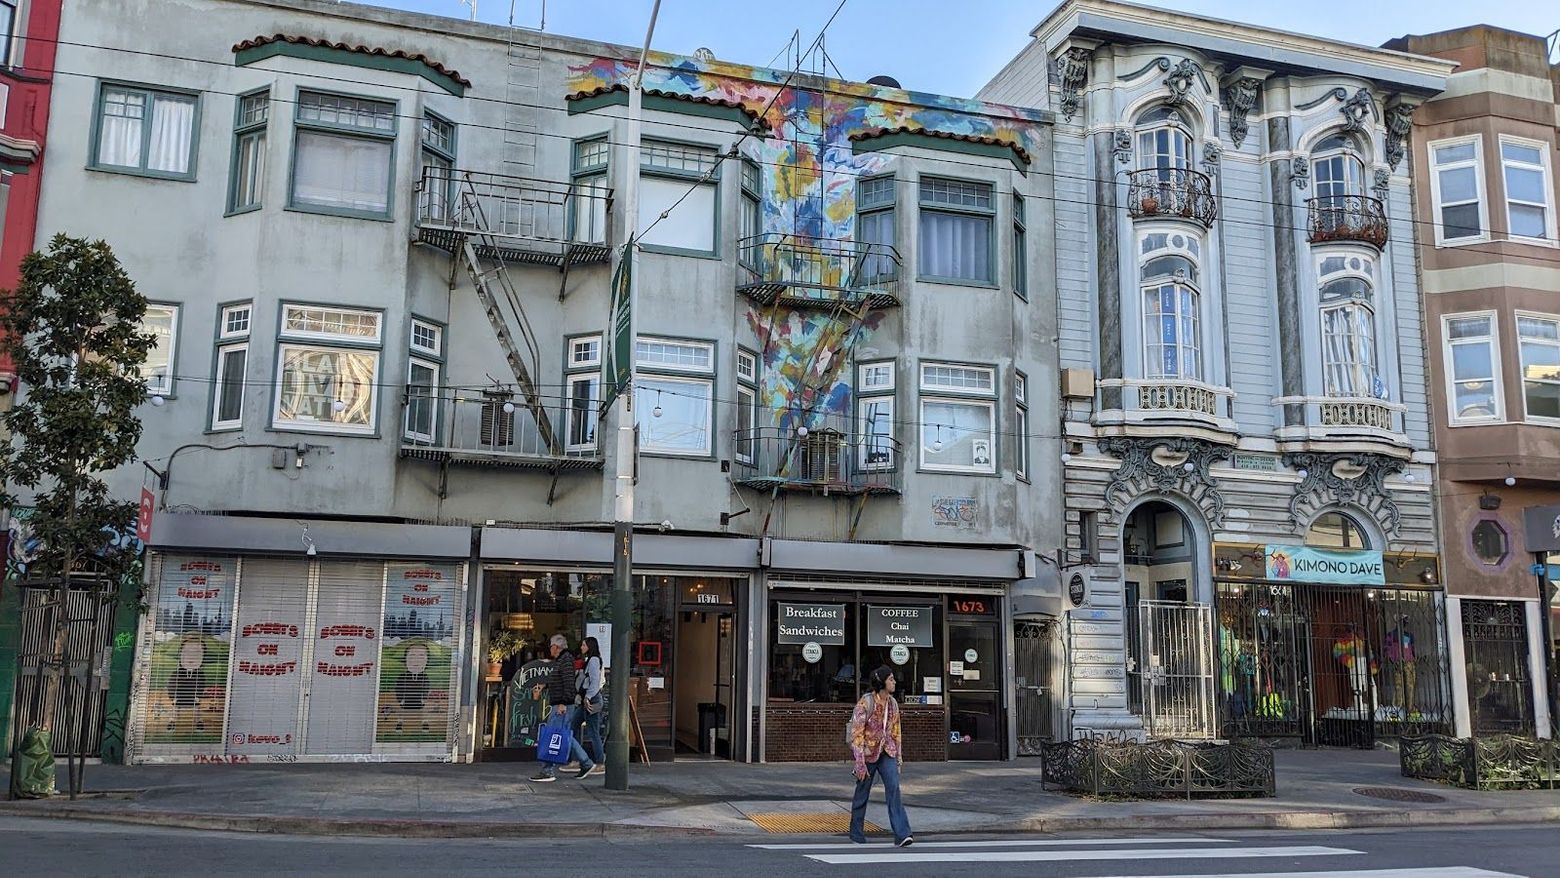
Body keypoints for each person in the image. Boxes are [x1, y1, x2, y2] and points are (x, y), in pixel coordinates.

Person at [848, 666, 912, 847]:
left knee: (894, 788)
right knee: (862, 792)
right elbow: (856, 733)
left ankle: (902, 834)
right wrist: (860, 762)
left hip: (887, 752)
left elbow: (896, 732)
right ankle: (856, 834)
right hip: (867, 754)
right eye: (891, 679)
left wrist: (898, 757)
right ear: (881, 682)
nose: (894, 682)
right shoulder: (865, 703)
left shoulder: (893, 704)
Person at [530, 633, 595, 782]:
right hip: (561, 703)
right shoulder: (562, 660)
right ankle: (586, 762)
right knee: (564, 735)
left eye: (551, 646)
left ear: (556, 647)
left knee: (553, 735)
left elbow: (568, 683)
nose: (550, 649)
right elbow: (560, 681)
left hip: (562, 704)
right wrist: (545, 686)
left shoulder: (565, 660)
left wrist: (563, 703)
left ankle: (547, 770)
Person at [575, 636, 606, 774]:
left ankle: (600, 762)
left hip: (591, 699)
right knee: (573, 726)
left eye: (583, 645)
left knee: (593, 731)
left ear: (589, 646)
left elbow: (594, 681)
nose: (581, 647)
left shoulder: (593, 660)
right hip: (588, 698)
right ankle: (577, 759)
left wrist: (587, 697)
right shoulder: (591, 660)